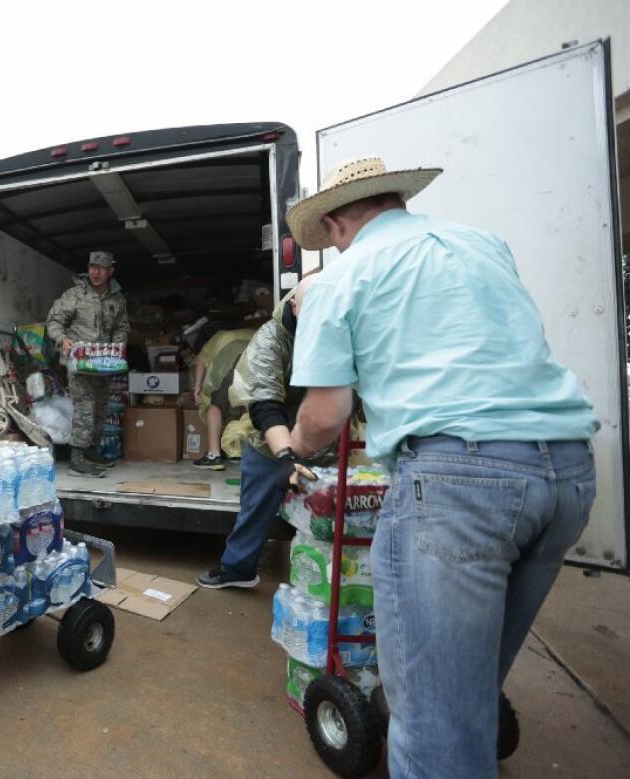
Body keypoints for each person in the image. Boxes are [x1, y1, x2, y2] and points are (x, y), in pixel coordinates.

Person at [286, 156, 598, 778]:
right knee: (471, 681)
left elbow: (327, 413)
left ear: (338, 223)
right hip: (566, 470)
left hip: (461, 485)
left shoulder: (339, 280)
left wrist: (294, 446)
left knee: (432, 718)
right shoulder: (484, 246)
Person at [196, 278, 327, 588]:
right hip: (273, 437)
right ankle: (238, 568)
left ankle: (331, 578)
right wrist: (285, 455)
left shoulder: (339, 327)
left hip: (326, 435)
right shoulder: (270, 339)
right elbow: (264, 402)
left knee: (332, 512)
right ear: (294, 305)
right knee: (255, 507)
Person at [45, 250, 129, 477]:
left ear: (110, 271)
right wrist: (63, 339)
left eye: (101, 268)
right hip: (78, 362)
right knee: (85, 406)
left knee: (101, 407)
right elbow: (54, 321)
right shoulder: (75, 295)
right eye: (92, 267)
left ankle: (89, 449)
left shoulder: (117, 299)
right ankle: (77, 459)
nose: (95, 272)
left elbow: (121, 327)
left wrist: (118, 347)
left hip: (103, 362)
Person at [189, 328, 254, 470]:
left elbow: (201, 362)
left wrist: (198, 388)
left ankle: (214, 456)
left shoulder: (217, 337)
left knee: (215, 404)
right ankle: (238, 451)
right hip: (255, 366)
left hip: (229, 363)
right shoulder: (255, 332)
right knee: (246, 406)